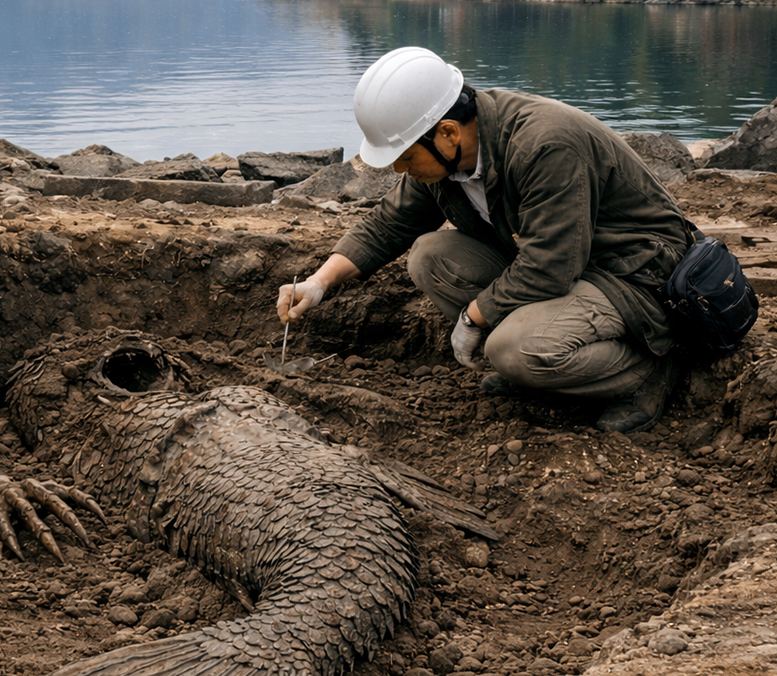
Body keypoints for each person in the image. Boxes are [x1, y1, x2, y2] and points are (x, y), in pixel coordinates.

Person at [277, 46, 692, 434]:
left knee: (514, 350)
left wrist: (475, 316)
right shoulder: (447, 157)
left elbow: (549, 268)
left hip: (633, 273)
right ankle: (548, 369)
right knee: (430, 256)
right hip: (569, 264)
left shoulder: (543, 146)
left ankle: (646, 371)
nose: (401, 170)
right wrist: (318, 282)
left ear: (448, 133)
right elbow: (389, 224)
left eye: (405, 157)